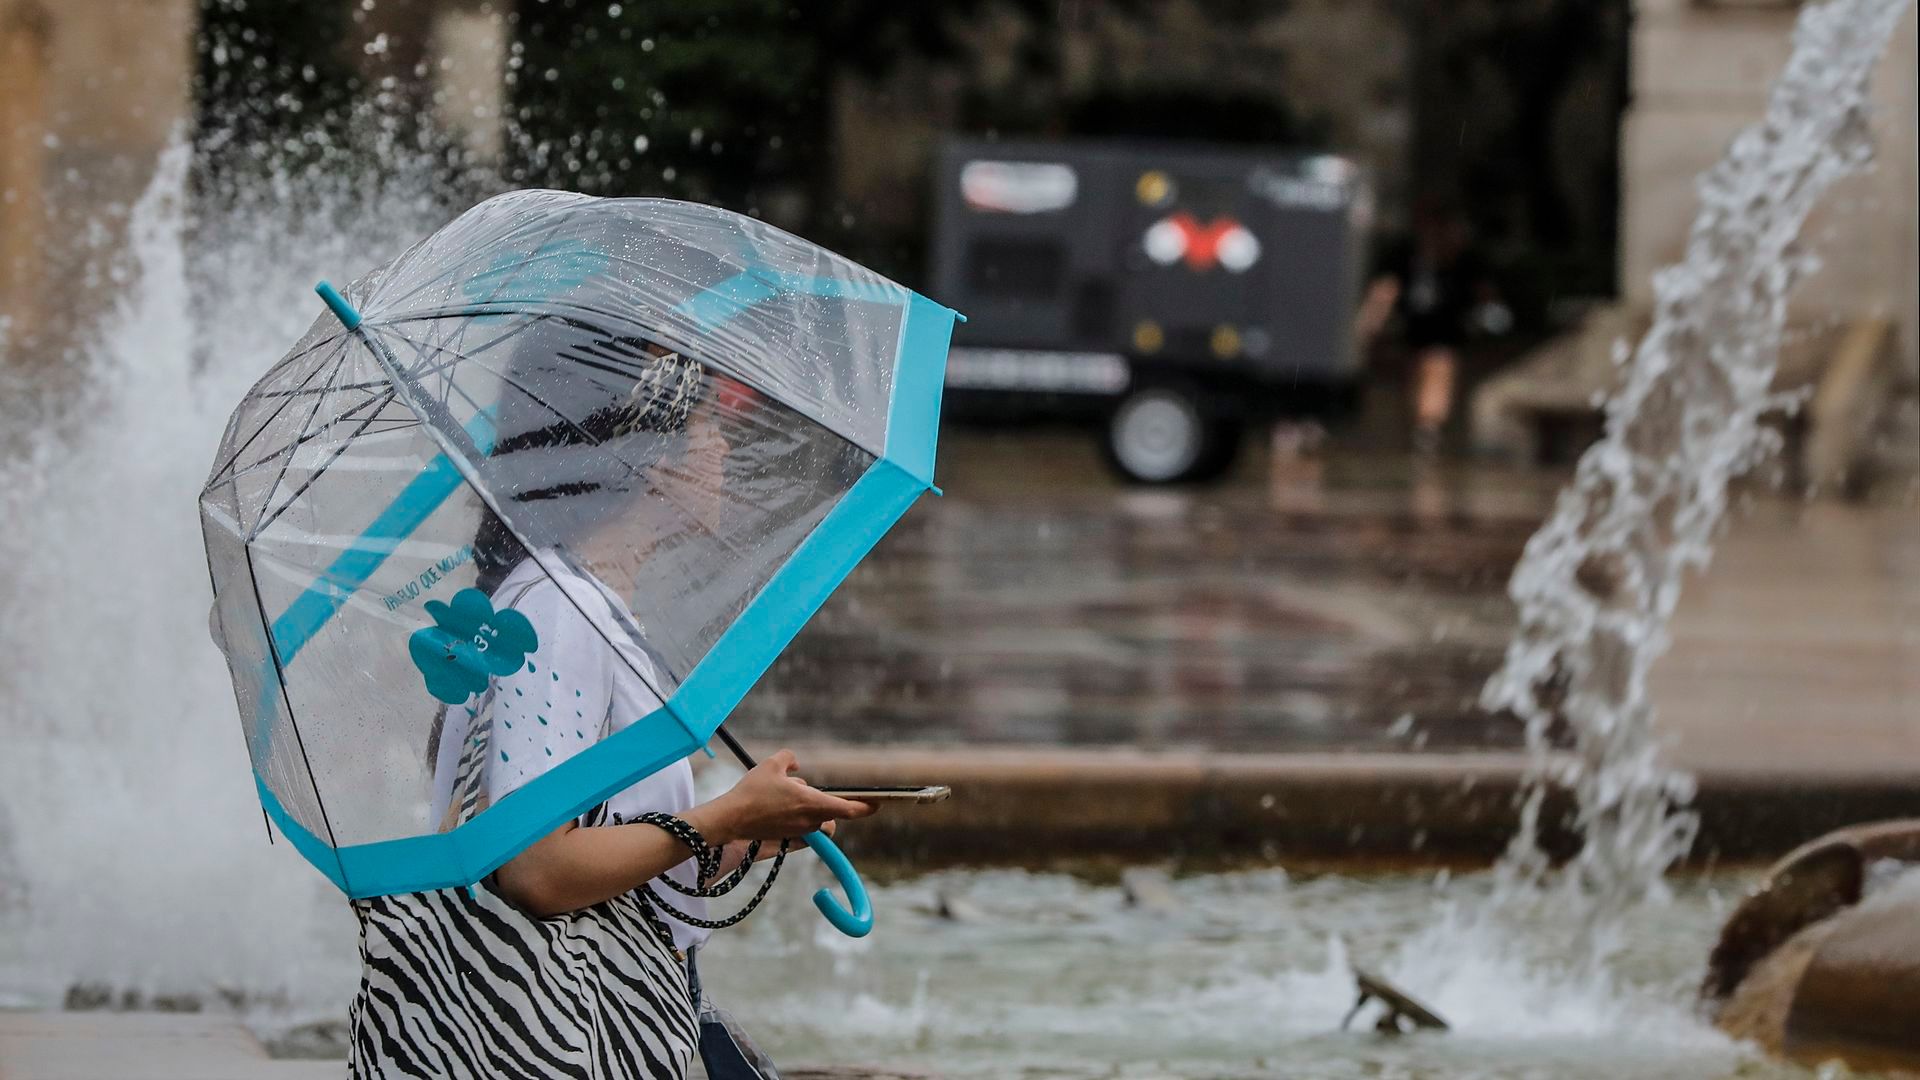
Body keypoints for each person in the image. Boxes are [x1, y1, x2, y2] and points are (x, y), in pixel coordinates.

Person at [348, 333, 874, 1080]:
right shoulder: (559, 613)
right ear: (650, 459)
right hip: (547, 1040)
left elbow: (599, 852)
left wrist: (751, 829)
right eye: (709, 428)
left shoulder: (579, 606)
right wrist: (720, 817)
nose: (724, 448)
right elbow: (534, 870)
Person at [1356, 198, 1506, 455]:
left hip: (1448, 327)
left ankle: (1429, 427)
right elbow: (1386, 290)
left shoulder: (1466, 259)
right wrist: (1369, 323)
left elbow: (1485, 293)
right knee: (1414, 376)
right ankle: (1421, 427)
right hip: (1413, 327)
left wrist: (1491, 316)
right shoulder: (1405, 254)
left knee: (1439, 367)